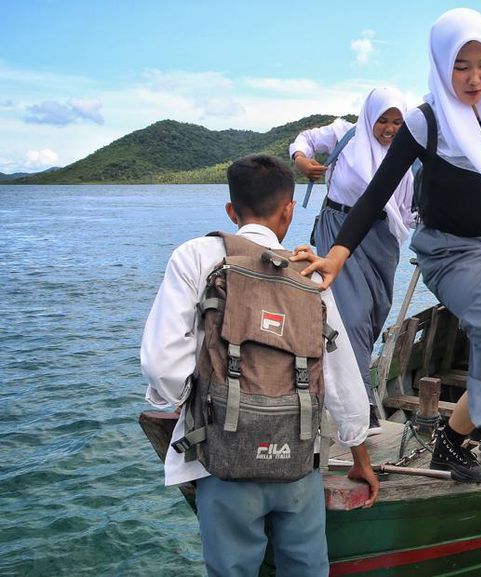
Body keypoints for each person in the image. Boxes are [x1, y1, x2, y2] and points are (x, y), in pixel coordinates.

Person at [296, 8, 481, 514]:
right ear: (441, 65)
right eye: (460, 66)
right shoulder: (425, 122)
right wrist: (336, 256)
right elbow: (375, 194)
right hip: (449, 254)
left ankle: (449, 441)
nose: (474, 78)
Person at [141, 155, 379, 575]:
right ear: (289, 209)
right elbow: (341, 374)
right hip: (297, 464)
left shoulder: (196, 255)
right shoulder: (309, 272)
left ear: (232, 211)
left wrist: (187, 401)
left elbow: (162, 364)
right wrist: (358, 454)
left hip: (223, 462)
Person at [290, 87, 417, 436]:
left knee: (376, 312)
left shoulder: (407, 151)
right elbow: (304, 139)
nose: (389, 129)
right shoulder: (344, 133)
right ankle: (364, 410)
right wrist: (301, 160)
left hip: (383, 239)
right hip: (338, 231)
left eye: (397, 122)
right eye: (382, 121)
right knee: (353, 317)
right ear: (368, 116)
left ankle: (345, 389)